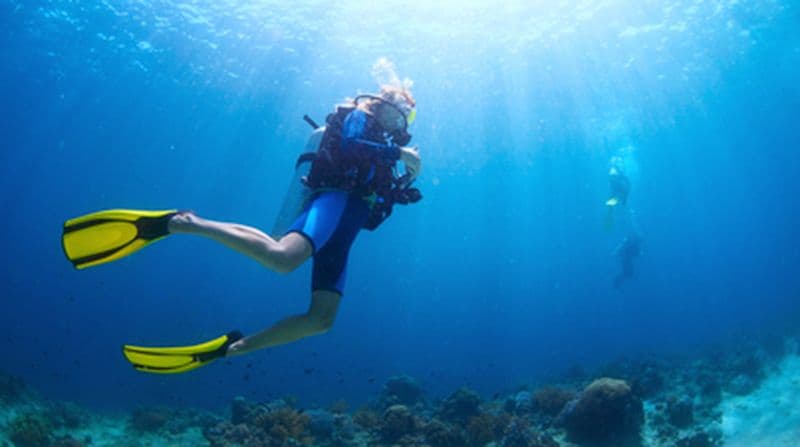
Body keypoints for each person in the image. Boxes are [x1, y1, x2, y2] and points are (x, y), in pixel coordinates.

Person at [61, 81, 422, 374]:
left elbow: (372, 205)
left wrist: (397, 190)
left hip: (343, 232)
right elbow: (349, 144)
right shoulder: (360, 116)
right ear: (384, 102)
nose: (405, 119)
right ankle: (183, 224)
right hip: (332, 204)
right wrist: (398, 156)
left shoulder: (384, 147)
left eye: (410, 114)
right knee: (282, 260)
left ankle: (235, 347)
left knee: (321, 319)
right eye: (403, 109)